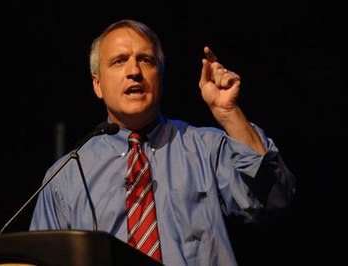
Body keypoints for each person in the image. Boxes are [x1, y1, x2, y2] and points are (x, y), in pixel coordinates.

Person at [29, 19, 296, 265]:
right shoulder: (64, 177)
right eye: (119, 61)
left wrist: (229, 113)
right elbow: (39, 260)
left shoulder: (206, 148)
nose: (134, 71)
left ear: (161, 76)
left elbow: (274, 199)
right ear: (97, 85)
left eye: (146, 60)